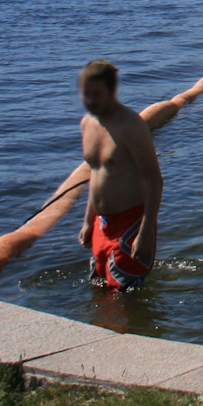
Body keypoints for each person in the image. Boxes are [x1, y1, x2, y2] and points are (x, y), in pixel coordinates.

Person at [76, 60, 162, 292]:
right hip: (101, 223)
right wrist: (88, 221)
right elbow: (96, 174)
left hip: (131, 224)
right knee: (98, 289)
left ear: (112, 91)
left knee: (124, 296)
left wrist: (145, 233)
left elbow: (154, 180)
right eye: (86, 94)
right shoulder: (87, 123)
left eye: (97, 94)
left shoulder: (131, 126)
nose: (90, 100)